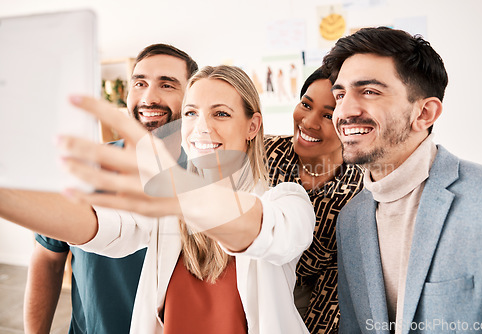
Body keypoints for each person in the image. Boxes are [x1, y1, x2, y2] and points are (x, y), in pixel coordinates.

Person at [1, 65, 315, 334]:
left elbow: (258, 229)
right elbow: (100, 227)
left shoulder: (287, 202)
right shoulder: (169, 207)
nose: (202, 127)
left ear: (252, 125)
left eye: (220, 113)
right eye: (191, 113)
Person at [323, 27, 482, 333]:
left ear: (425, 113)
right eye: (340, 95)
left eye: (369, 91)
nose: (344, 111)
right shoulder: (350, 219)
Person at [23, 43, 198, 334]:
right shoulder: (83, 167)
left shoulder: (202, 182)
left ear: (191, 99)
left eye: (167, 84)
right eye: (139, 83)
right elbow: (48, 258)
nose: (149, 97)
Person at [264, 68, 363, 334]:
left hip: (313, 307)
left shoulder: (361, 193)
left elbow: (340, 285)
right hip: (245, 290)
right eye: (306, 104)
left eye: (328, 115)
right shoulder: (261, 153)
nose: (308, 121)